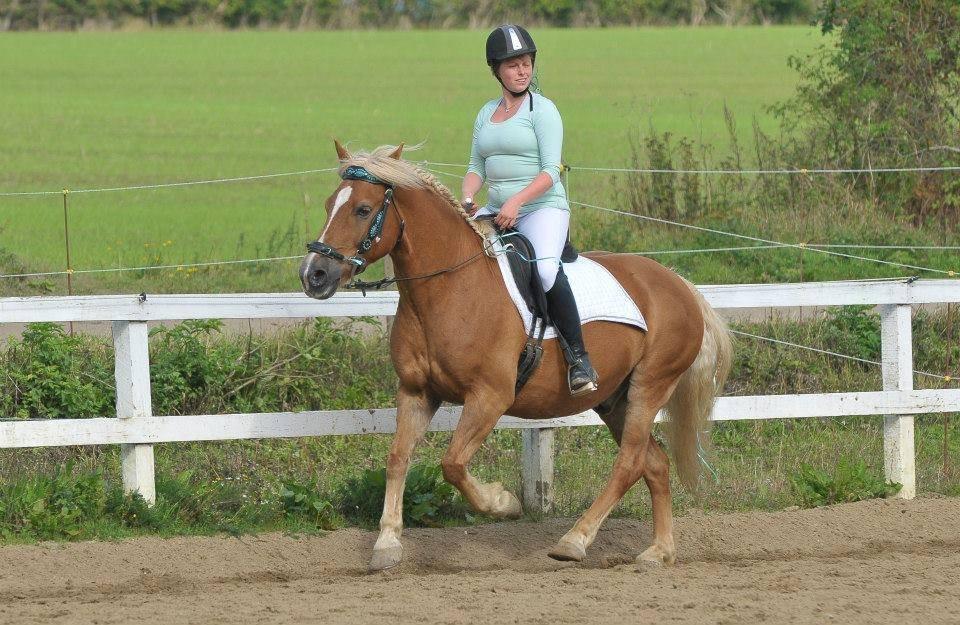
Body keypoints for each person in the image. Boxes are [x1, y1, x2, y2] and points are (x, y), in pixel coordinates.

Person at [461, 24, 598, 397]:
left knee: (546, 270)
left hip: (541, 208)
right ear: (496, 70)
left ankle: (579, 359)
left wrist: (517, 201)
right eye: (512, 65)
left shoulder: (544, 110)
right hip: (495, 208)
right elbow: (476, 167)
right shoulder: (485, 113)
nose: (522, 71)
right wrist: (468, 196)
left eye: (526, 63)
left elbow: (551, 171)